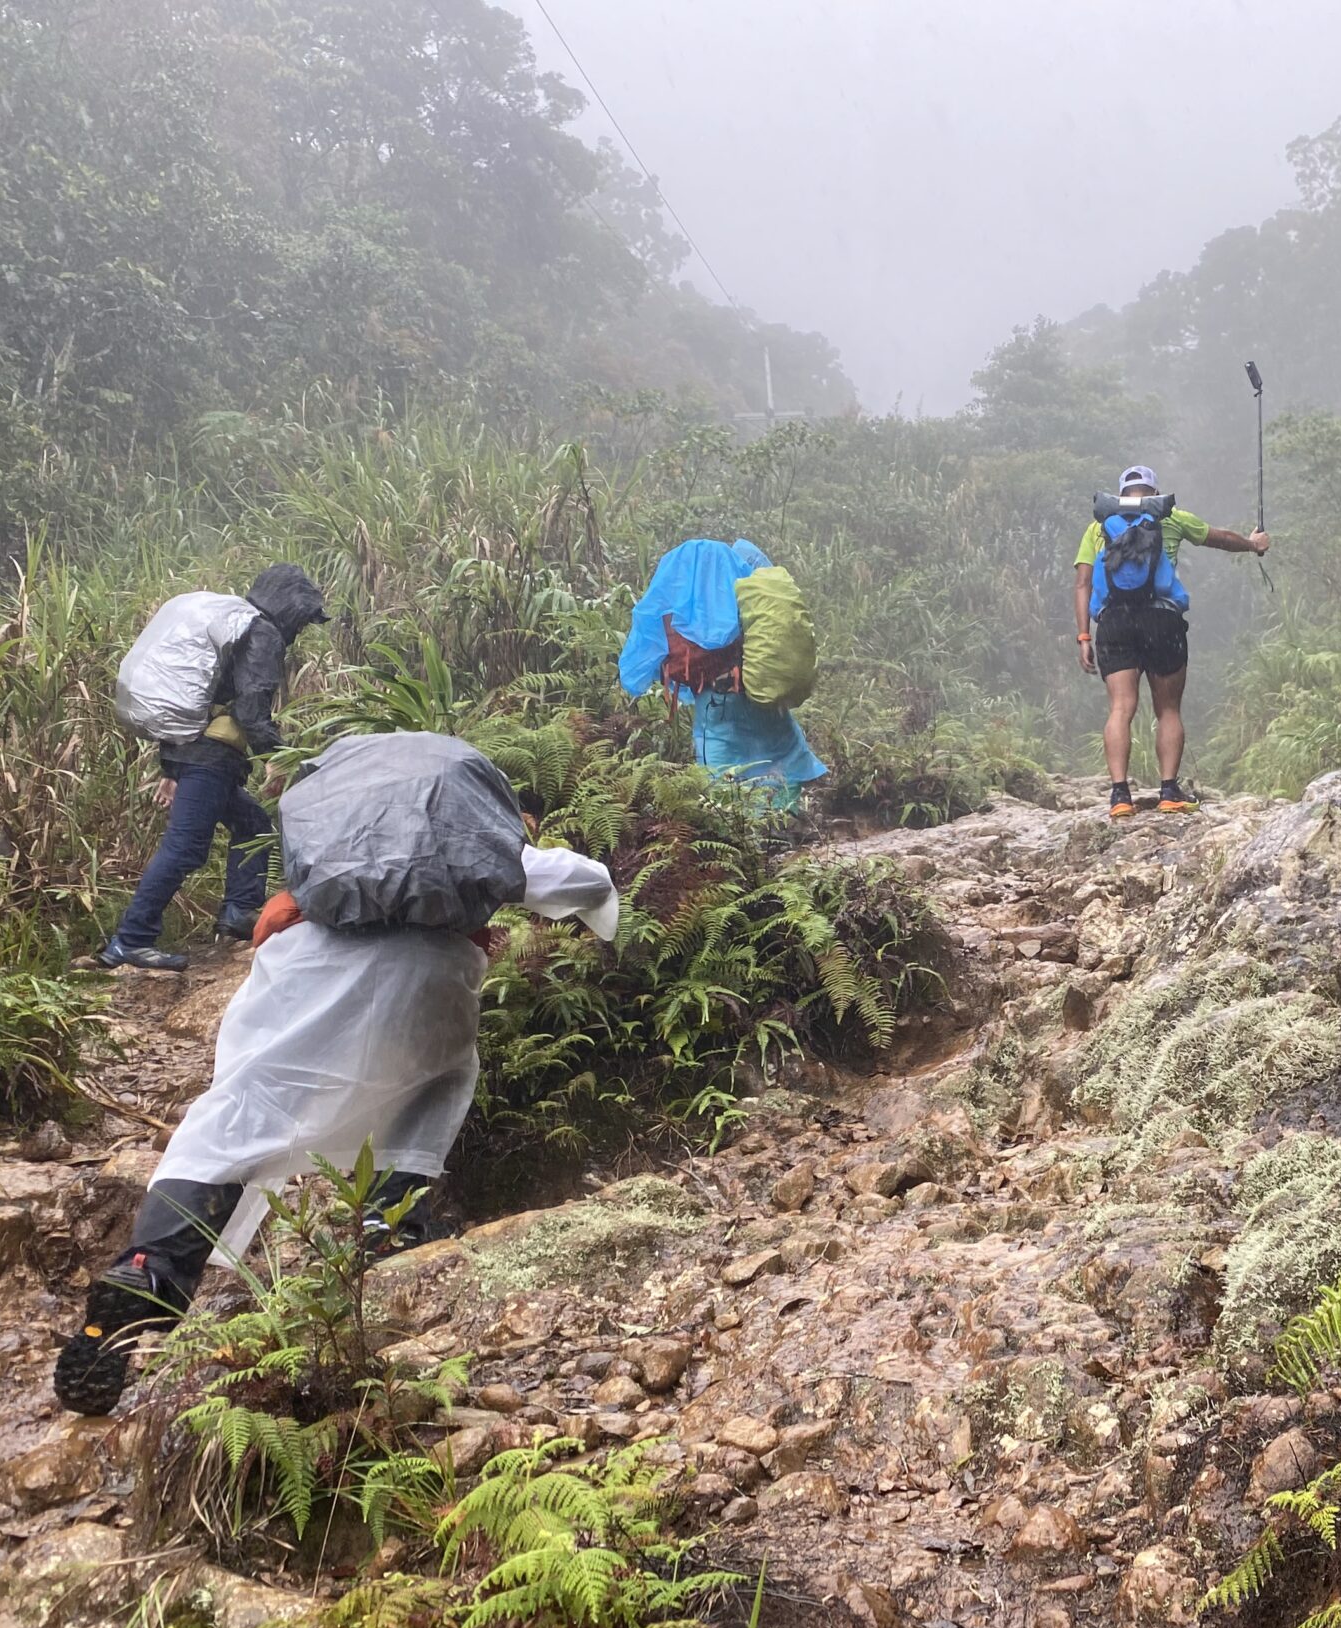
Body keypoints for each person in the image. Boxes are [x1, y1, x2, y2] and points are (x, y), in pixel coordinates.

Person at [52, 839, 620, 1417]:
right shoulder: (463, 832)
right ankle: (386, 1224)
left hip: (301, 961)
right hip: (427, 975)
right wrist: (602, 900)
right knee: (429, 1084)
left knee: (236, 1117)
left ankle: (150, 1267)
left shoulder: (332, 834)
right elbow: (580, 881)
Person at [97, 564, 328, 971]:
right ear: (291, 607)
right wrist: (276, 756)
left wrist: (171, 768)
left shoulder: (235, 624)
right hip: (211, 759)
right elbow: (251, 704)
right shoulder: (262, 631)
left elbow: (201, 697)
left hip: (194, 752)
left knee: (252, 824)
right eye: (305, 618)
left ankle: (239, 912)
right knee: (184, 848)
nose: (303, 628)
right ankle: (131, 941)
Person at [1073, 466, 1267, 819]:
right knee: (1168, 709)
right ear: (1153, 491)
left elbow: (1083, 583)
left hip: (1114, 622)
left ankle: (1119, 796)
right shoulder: (1171, 517)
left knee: (1120, 708)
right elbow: (1218, 537)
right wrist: (1253, 544)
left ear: (1121, 493)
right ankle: (1168, 792)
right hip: (1162, 620)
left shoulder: (1097, 527)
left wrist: (1084, 635)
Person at [619, 537, 827, 813]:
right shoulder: (746, 593)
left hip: (717, 703)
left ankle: (747, 835)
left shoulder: (683, 607)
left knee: (724, 774)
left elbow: (646, 654)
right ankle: (785, 823)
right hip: (761, 693)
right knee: (781, 755)